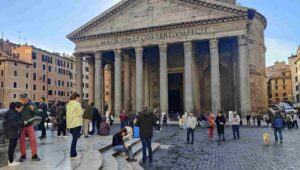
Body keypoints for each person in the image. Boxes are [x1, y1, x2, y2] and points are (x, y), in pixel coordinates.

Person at [19, 93, 41, 162]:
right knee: (22, 141)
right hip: (21, 126)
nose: (24, 101)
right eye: (23, 100)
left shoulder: (32, 104)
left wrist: (33, 109)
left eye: (25, 100)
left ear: (27, 98)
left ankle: (34, 155)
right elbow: (15, 113)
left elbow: (37, 113)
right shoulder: (19, 105)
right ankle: (23, 155)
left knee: (33, 140)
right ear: (20, 100)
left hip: (29, 126)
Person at [4, 102, 25, 166]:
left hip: (12, 132)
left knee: (12, 146)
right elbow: (12, 123)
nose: (21, 110)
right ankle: (11, 162)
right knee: (12, 147)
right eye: (21, 108)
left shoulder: (13, 112)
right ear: (16, 108)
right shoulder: (12, 113)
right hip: (12, 132)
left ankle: (11, 160)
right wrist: (22, 123)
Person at [66, 92, 83, 159]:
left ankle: (73, 153)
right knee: (74, 139)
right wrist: (82, 111)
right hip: (76, 123)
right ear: (76, 97)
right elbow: (80, 113)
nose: (79, 99)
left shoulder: (68, 104)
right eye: (79, 97)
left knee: (74, 139)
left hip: (71, 124)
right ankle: (73, 154)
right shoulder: (77, 104)